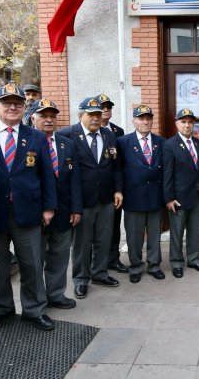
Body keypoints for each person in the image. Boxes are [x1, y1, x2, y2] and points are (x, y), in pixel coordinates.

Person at [0, 83, 57, 332]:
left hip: (28, 210)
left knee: (32, 264)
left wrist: (49, 207)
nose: (13, 107)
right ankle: (2, 309)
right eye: (7, 102)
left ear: (24, 107)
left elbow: (47, 174)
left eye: (18, 103)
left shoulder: (36, 137)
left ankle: (34, 310)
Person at [57, 96, 123, 299]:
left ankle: (100, 273)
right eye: (91, 114)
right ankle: (80, 279)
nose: (96, 118)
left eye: (98, 114)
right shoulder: (67, 135)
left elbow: (116, 166)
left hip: (106, 198)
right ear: (81, 115)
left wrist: (118, 190)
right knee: (82, 243)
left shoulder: (109, 135)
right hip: (82, 199)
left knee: (104, 239)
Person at [31, 99, 82, 309]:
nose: (49, 120)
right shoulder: (27, 142)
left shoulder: (66, 144)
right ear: (32, 118)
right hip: (36, 212)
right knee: (35, 259)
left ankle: (56, 294)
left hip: (63, 210)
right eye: (43, 116)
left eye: (52, 116)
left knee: (59, 255)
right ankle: (37, 300)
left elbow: (74, 179)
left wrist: (76, 208)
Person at [117, 105, 165, 283]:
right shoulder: (123, 142)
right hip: (133, 197)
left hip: (155, 195)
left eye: (148, 118)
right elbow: (118, 170)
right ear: (134, 121)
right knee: (134, 237)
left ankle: (154, 265)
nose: (145, 122)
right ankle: (136, 266)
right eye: (141, 118)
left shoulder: (161, 142)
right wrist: (119, 191)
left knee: (154, 235)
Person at [162, 108, 199, 278]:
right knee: (177, 232)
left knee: (195, 230)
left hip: (196, 194)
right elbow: (167, 174)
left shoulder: (198, 143)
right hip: (178, 197)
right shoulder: (169, 145)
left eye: (190, 122)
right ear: (176, 123)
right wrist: (169, 198)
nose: (187, 125)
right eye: (183, 122)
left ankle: (194, 259)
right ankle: (176, 262)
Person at [96, 93, 128, 274]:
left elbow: (118, 164)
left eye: (109, 107)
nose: (106, 110)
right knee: (95, 231)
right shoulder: (82, 131)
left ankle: (113, 260)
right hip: (93, 189)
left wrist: (119, 189)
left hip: (112, 188)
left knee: (114, 226)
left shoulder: (118, 131)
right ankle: (96, 264)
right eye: (102, 107)